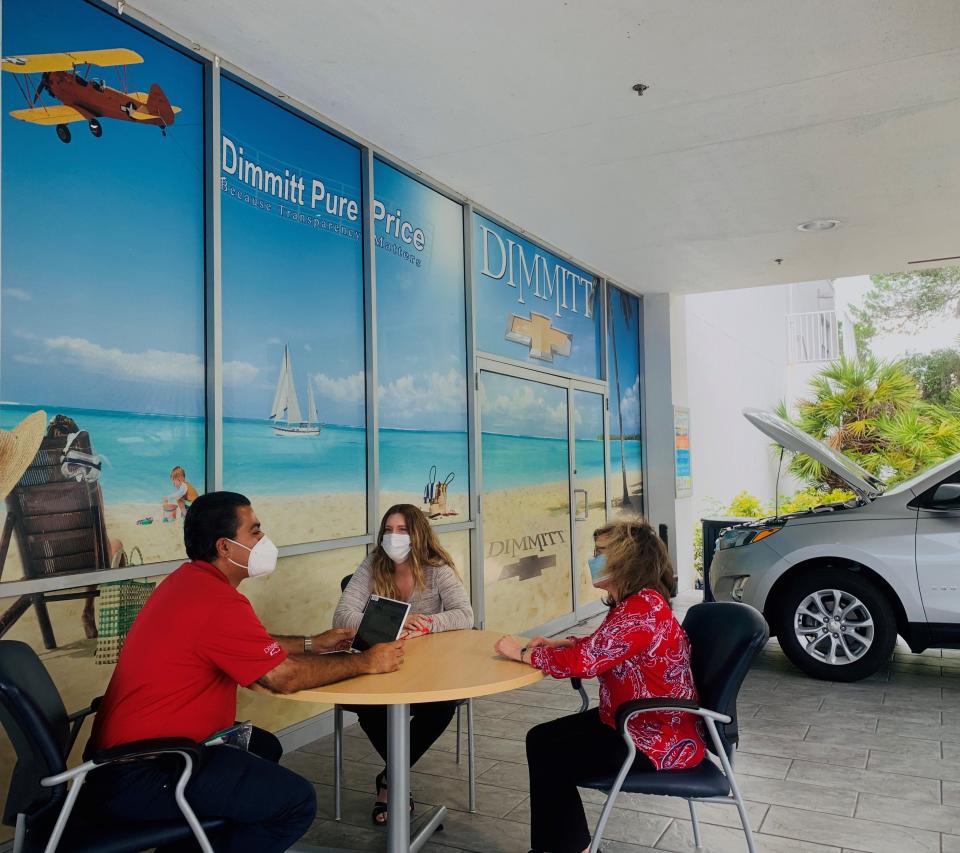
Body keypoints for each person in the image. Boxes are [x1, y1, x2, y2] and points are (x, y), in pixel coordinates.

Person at [80, 491, 405, 853]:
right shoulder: (217, 601)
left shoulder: (188, 582)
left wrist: (314, 643)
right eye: (254, 531)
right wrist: (366, 661)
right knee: (296, 803)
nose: (263, 539)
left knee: (263, 747)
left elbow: (248, 642)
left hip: (132, 759)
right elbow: (282, 677)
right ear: (225, 547)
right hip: (144, 773)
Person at [494, 518, 705, 853]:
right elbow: (602, 647)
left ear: (627, 559)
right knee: (541, 740)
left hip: (653, 736)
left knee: (553, 755)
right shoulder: (635, 604)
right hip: (629, 721)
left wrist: (521, 653)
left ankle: (569, 848)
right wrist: (563, 643)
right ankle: (559, 846)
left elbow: (586, 662)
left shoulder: (640, 610)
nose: (595, 559)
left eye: (602, 552)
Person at [333, 503, 473, 826]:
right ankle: (397, 780)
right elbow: (342, 615)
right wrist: (394, 624)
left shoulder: (437, 569)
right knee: (369, 706)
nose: (393, 537)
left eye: (402, 530)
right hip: (380, 664)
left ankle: (390, 779)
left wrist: (429, 624)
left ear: (418, 535)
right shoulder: (372, 564)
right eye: (388, 530)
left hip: (429, 670)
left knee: (441, 706)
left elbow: (465, 615)